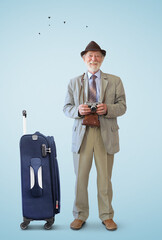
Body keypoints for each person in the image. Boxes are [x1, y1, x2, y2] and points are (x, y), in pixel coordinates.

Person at [63, 41, 126, 231]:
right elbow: (66, 108)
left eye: (97, 56)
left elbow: (122, 106)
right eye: (90, 55)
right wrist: (78, 110)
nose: (94, 59)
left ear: (103, 59)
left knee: (105, 178)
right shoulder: (74, 82)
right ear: (84, 58)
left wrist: (107, 108)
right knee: (80, 178)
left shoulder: (115, 81)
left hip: (105, 133)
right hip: (82, 134)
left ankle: (107, 215)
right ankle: (80, 215)